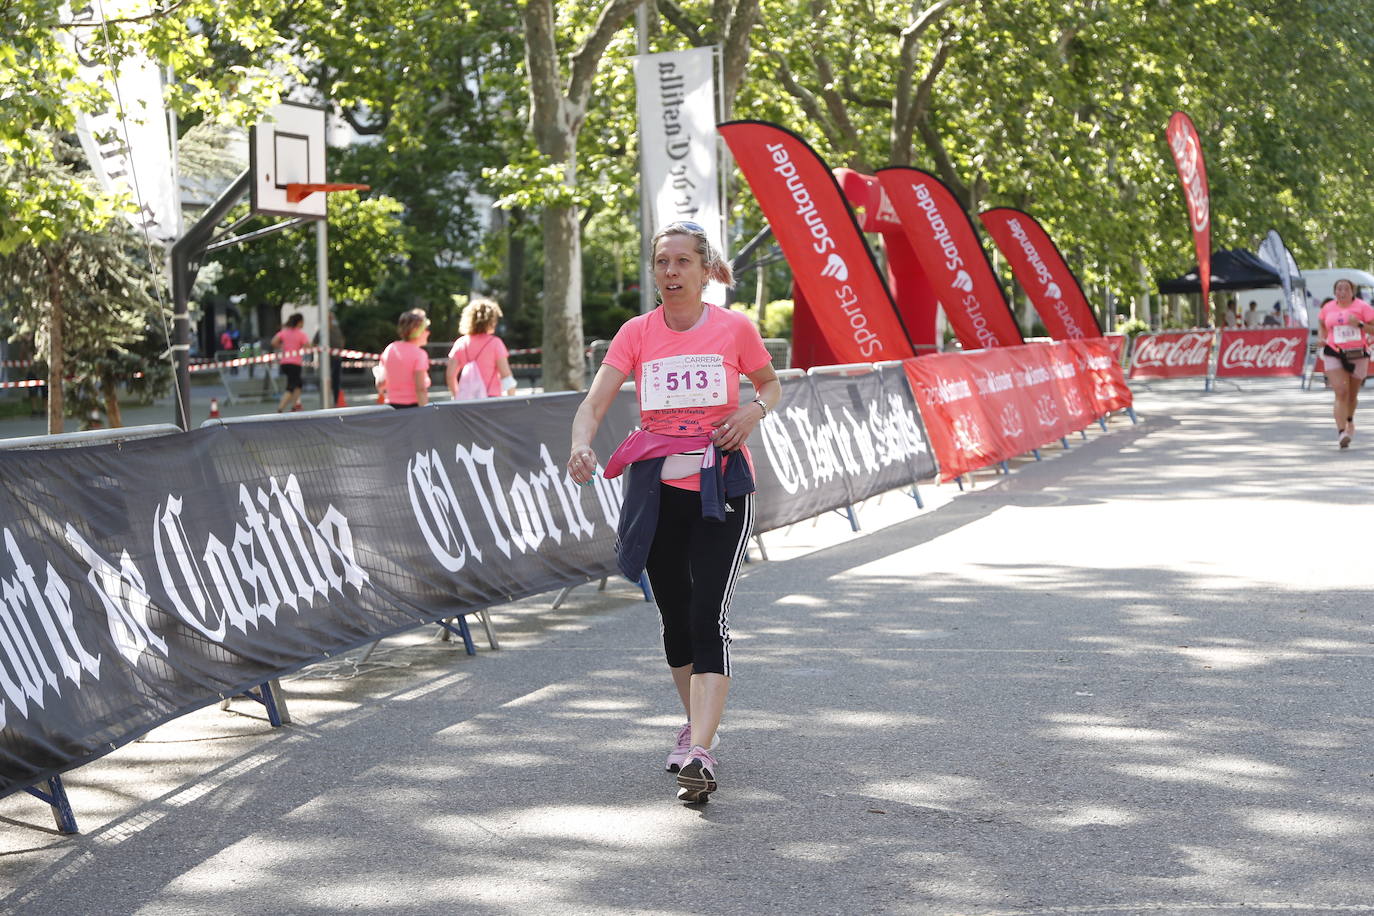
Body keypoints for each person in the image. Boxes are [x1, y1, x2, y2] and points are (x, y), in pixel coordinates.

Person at [567, 220, 781, 804]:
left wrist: (751, 412)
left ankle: (702, 753)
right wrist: (581, 443)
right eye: (662, 261)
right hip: (656, 495)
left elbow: (770, 383)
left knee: (708, 614)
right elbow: (594, 404)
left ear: (705, 270)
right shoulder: (635, 334)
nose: (670, 272)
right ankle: (694, 728)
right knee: (675, 619)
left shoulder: (734, 328)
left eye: (683, 262)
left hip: (721, 489)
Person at [1317, 278, 1374, 448]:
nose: (1342, 292)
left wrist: (1360, 324)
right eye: (1339, 289)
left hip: (1357, 354)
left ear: (1352, 292)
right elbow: (1321, 323)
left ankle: (1349, 420)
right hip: (1334, 352)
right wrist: (1322, 336)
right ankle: (1342, 432)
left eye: (1346, 289)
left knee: (1352, 394)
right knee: (1341, 391)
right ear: (1334, 292)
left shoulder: (1363, 307)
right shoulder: (1328, 308)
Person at [446, 297, 515, 399]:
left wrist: (456, 396)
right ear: (491, 321)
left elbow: (450, 375)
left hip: (467, 400)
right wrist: (511, 398)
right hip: (490, 398)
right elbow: (506, 375)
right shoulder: (495, 343)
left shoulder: (460, 343)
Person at [376, 308, 431, 408]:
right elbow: (420, 389)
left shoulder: (390, 348)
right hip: (412, 409)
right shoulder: (419, 354)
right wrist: (426, 414)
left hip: (391, 408)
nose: (429, 333)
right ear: (417, 331)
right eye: (426, 329)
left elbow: (380, 384)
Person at [271, 313, 310, 412]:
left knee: (298, 384)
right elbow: (307, 346)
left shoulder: (284, 332)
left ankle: (295, 406)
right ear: (299, 322)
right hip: (295, 363)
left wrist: (282, 347)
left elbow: (273, 342)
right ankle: (280, 408)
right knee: (291, 386)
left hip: (285, 363)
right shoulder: (301, 334)